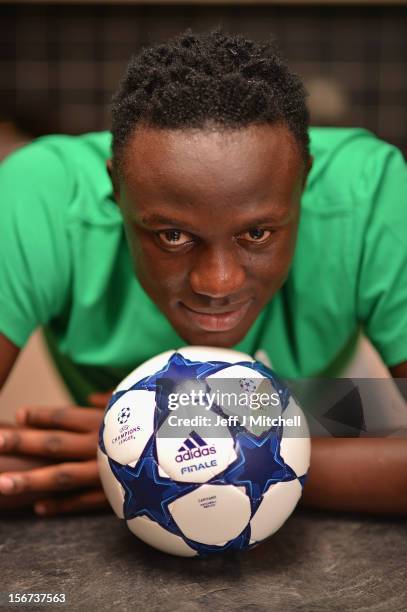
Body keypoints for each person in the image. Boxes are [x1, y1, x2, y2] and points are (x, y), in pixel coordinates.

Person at [0, 29, 406, 516]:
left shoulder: (370, 193)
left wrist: (162, 465)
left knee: (360, 406)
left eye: (257, 234)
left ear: (304, 182)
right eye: (172, 236)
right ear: (116, 187)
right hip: (308, 441)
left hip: (313, 411)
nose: (218, 282)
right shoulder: (41, 198)